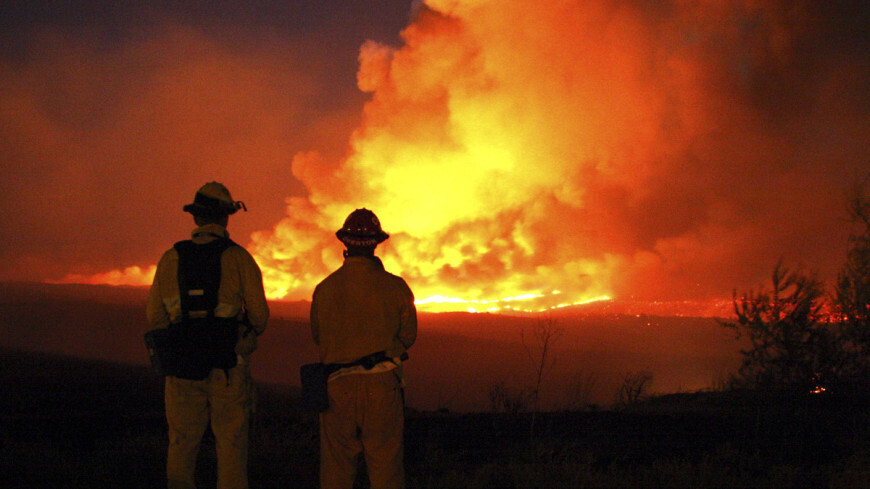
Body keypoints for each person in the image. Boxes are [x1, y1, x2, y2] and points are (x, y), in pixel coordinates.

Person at [146, 182, 269, 489]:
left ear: (195, 217)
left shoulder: (170, 258)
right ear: (226, 217)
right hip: (227, 367)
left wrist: (180, 339)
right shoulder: (239, 258)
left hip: (182, 368)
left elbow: (155, 316)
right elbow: (259, 316)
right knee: (231, 444)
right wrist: (242, 339)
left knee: (181, 442)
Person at [310, 208, 417, 489]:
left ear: (345, 243)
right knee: (386, 467)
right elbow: (408, 336)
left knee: (336, 469)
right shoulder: (396, 287)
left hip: (336, 387)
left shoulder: (325, 289)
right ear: (376, 243)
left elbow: (318, 336)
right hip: (382, 387)